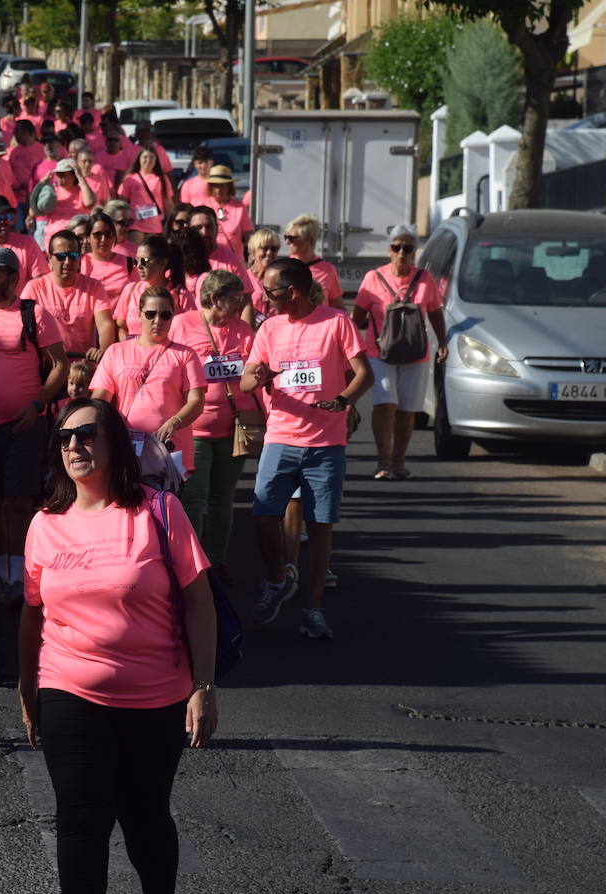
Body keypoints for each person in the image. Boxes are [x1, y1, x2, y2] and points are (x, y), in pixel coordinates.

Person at [18, 397, 218, 894]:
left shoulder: (158, 510)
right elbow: (32, 613)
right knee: (80, 820)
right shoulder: (44, 524)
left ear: (114, 445)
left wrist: (203, 686)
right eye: (64, 437)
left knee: (145, 817)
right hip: (69, 690)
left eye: (86, 434)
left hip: (156, 697)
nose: (74, 445)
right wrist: (27, 686)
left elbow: (199, 601)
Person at [242, 258, 372, 639]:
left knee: (319, 528)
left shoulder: (335, 322)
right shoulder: (269, 329)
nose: (264, 298)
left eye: (270, 291)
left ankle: (313, 610)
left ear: (293, 291)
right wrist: (258, 376)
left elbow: (364, 373)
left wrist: (344, 400)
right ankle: (276, 579)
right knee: (263, 514)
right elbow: (249, 378)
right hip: (281, 437)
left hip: (325, 444)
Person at [0, 247, 69, 604]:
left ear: (12, 276)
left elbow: (59, 366)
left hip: (23, 425)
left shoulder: (32, 313)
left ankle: (21, 577)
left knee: (20, 502)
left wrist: (37, 405)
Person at [171, 271, 256, 580]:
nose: (241, 303)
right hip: (194, 430)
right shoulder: (183, 324)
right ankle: (193, 567)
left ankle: (218, 561)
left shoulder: (244, 330)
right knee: (194, 498)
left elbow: (255, 375)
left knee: (223, 496)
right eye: (235, 298)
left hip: (234, 428)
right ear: (214, 298)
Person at [351, 225, 447, 480]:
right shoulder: (373, 278)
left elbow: (436, 313)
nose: (402, 252)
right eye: (396, 247)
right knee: (384, 404)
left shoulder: (425, 279)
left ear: (415, 252)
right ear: (389, 250)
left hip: (416, 354)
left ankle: (399, 461)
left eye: (408, 248)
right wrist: (351, 347)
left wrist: (443, 342)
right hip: (378, 352)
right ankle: (383, 461)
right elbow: (357, 316)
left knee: (407, 409)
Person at [91, 286, 206, 473]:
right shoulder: (116, 351)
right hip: (127, 446)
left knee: (165, 502)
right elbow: (99, 399)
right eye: (151, 314)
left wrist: (174, 422)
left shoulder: (185, 354)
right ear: (139, 314)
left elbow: (197, 402)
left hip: (169, 449)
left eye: (165, 315)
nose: (157, 321)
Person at [22, 229, 114, 363]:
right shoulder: (34, 288)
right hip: (46, 365)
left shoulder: (94, 287)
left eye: (73, 255)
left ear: (80, 258)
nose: (67, 261)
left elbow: (105, 323)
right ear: (49, 259)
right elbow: (22, 327)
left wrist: (102, 350)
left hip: (82, 366)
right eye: (61, 256)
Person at [114, 234, 190, 339]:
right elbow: (120, 326)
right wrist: (130, 347)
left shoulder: (180, 294)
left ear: (162, 263)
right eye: (136, 261)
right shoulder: (130, 290)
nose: (139, 266)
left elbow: (190, 328)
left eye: (144, 261)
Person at [283, 213, 344, 309]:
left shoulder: (327, 270)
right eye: (285, 237)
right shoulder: (283, 267)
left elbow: (338, 307)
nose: (287, 242)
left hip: (321, 322)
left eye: (291, 238)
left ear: (308, 239)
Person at [118, 147, 170, 236]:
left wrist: (168, 224)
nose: (148, 160)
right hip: (135, 224)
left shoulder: (162, 179)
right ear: (139, 159)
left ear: (156, 160)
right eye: (145, 157)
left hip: (155, 226)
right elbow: (123, 202)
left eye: (151, 157)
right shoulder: (130, 178)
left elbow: (168, 203)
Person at [205, 165, 253, 259]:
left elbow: (249, 235)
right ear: (210, 187)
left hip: (234, 261)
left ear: (229, 187)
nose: (218, 190)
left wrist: (253, 254)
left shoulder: (239, 207)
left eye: (222, 186)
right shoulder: (203, 205)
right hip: (210, 261)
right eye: (215, 186)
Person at [80, 210, 130, 290]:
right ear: (88, 238)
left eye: (108, 234)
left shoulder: (129, 263)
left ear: (114, 236)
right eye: (98, 235)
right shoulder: (80, 264)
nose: (103, 239)